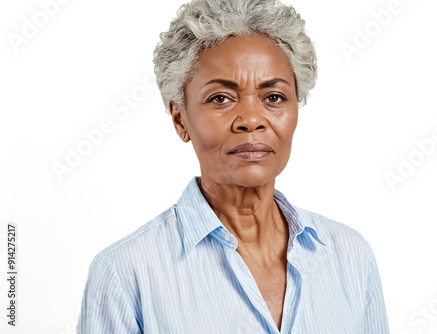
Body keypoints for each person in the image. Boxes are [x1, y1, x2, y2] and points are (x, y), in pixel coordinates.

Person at [77, 0, 390, 333]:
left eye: (274, 97)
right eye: (220, 99)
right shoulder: (126, 274)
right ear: (180, 118)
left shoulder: (351, 256)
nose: (251, 120)